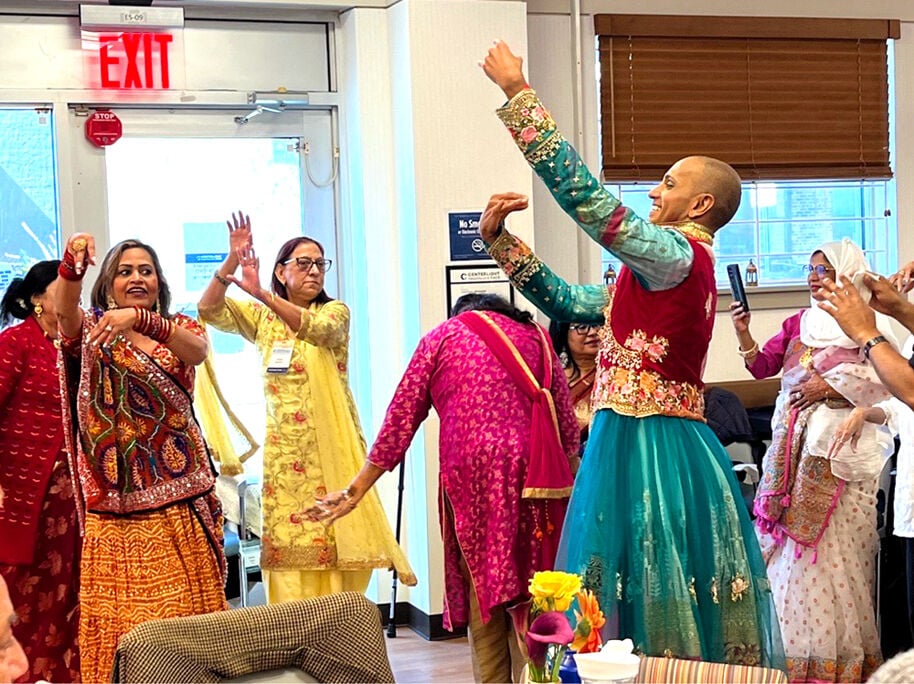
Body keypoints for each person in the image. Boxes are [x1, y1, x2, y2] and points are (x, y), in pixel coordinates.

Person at [478, 41, 784, 668]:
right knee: (638, 569)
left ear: (700, 205)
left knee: (651, 568)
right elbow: (566, 300)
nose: (653, 191)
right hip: (637, 433)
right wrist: (500, 243)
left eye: (668, 183)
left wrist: (518, 96)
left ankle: (658, 673)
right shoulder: (657, 272)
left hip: (653, 442)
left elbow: (592, 204)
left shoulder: (674, 255)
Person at [317, 293, 579, 683]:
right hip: (539, 481)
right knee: (537, 585)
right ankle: (539, 674)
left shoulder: (442, 336)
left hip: (475, 481)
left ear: (461, 315)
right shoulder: (538, 336)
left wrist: (356, 489)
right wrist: (575, 500)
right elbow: (568, 427)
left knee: (483, 587)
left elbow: (400, 419)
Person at [197, 212, 415, 603]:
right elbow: (209, 309)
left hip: (330, 452)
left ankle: (339, 626)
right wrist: (231, 260)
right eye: (303, 263)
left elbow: (320, 332)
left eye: (319, 263)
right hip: (284, 459)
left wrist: (263, 294)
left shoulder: (334, 312)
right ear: (280, 271)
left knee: (334, 540)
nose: (314, 270)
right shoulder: (262, 319)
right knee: (288, 549)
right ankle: (292, 631)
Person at [55, 233, 228, 683]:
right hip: (116, 511)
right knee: (124, 627)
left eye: (146, 271)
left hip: (181, 503)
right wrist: (72, 265)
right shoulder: (94, 334)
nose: (136, 278)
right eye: (125, 271)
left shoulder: (178, 327)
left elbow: (198, 352)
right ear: (108, 284)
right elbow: (64, 312)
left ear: (158, 283)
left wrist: (142, 319)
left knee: (186, 621)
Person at [730, 239, 894, 682]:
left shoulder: (868, 325)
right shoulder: (798, 323)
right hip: (790, 454)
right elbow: (762, 367)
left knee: (833, 558)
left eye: (825, 270)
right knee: (787, 555)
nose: (814, 278)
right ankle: (787, 654)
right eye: (810, 269)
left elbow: (890, 386)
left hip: (840, 457)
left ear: (848, 275)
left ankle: (833, 659)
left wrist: (833, 389)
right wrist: (743, 332)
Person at [0, 261, 81, 683]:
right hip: (23, 494)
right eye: (62, 288)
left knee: (69, 592)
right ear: (36, 299)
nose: (72, 297)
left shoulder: (76, 347)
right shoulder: (15, 343)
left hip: (74, 500)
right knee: (24, 594)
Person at [549, 320, 599, 449]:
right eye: (582, 327)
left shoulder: (616, 377)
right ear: (563, 333)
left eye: (597, 324)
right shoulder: (552, 380)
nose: (593, 332)